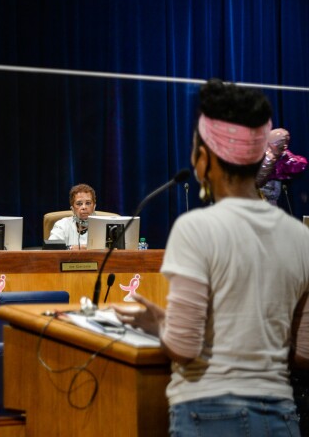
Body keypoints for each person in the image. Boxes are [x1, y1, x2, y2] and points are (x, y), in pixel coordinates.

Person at [113, 79, 309, 436]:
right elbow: (304, 353)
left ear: (204, 158)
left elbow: (184, 348)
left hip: (208, 413)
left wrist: (156, 323)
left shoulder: (195, 228)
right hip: (282, 416)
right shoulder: (302, 237)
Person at [48, 183, 97, 249]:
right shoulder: (62, 225)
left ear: (94, 207)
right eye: (79, 204)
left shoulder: (105, 226)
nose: (84, 207)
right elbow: (51, 249)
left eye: (88, 203)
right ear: (72, 209)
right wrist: (71, 248)